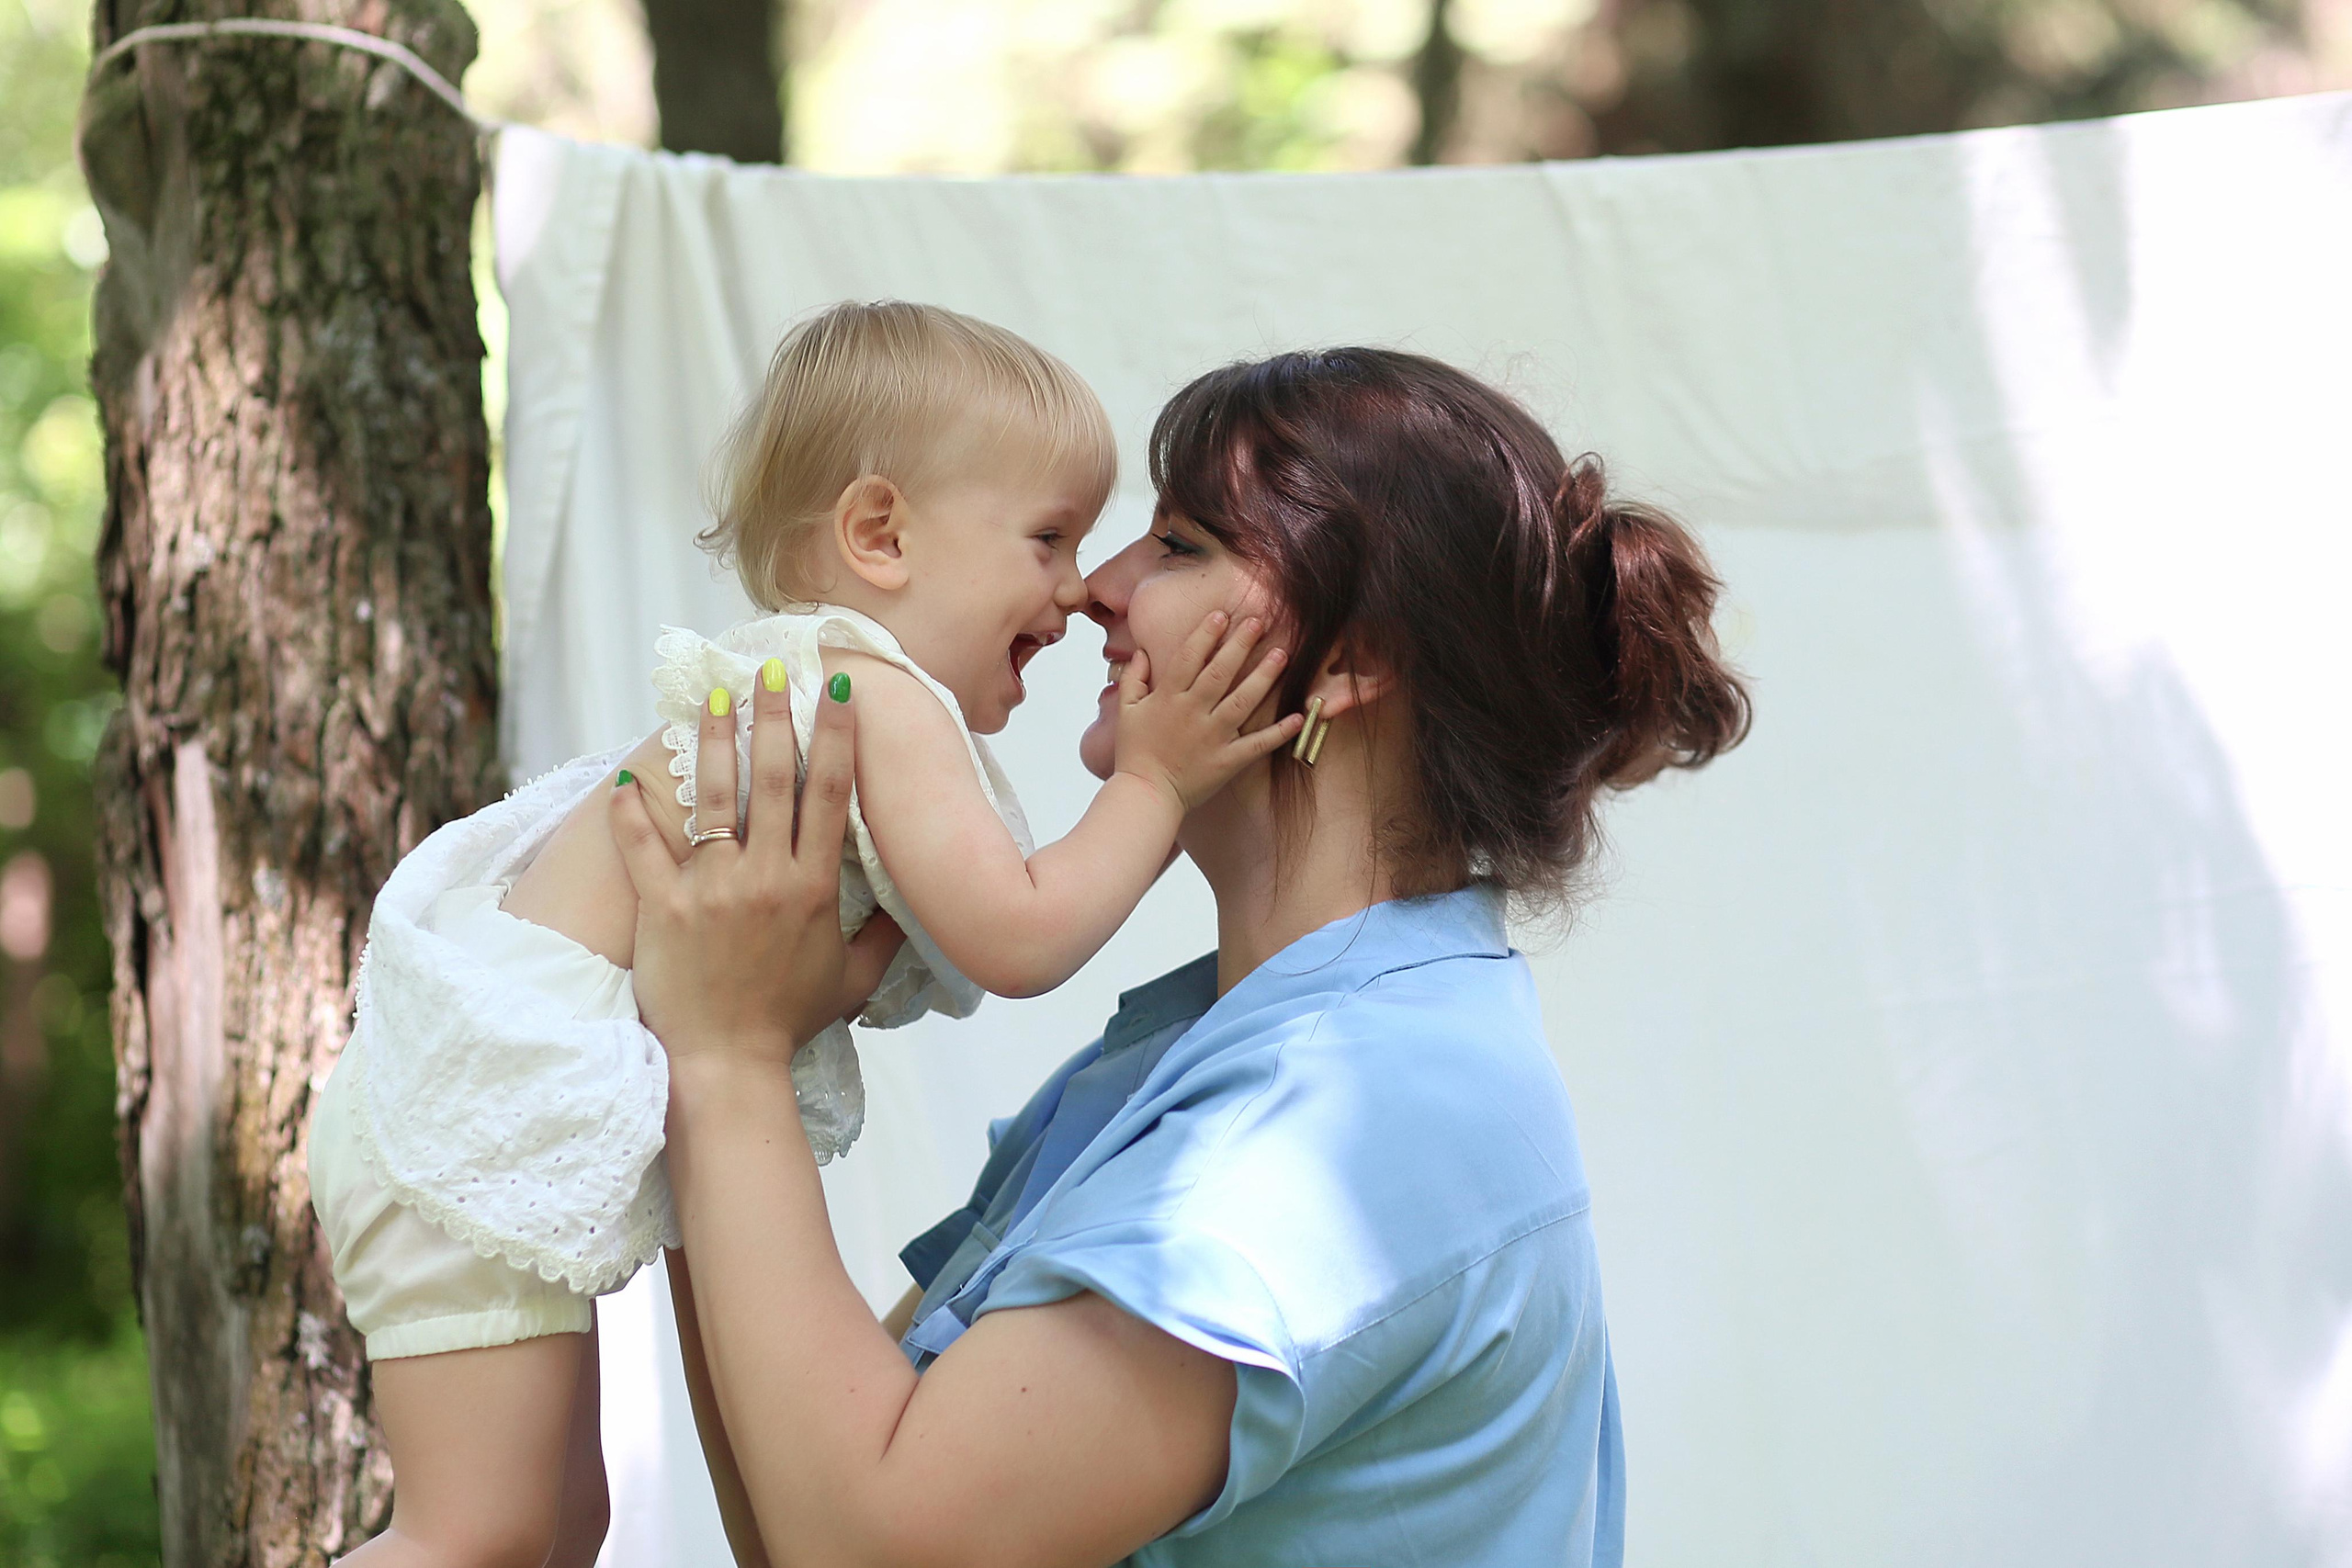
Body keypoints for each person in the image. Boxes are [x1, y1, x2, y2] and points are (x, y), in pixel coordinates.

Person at [615, 346, 1754, 1566]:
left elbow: (870, 1549)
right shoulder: (1214, 1063)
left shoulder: (1339, 1124)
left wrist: (729, 1059)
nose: (1096, 588)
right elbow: (808, 1515)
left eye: (1179, 545)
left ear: (1355, 657)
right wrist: (714, 1055)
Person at [306, 301, 1296, 1568]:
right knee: (477, 1535)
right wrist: (1159, 784)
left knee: (560, 1531)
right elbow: (1020, 937)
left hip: (470, 1113)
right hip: (470, 1125)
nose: (1076, 592)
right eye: (1049, 539)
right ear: (880, 533)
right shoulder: (866, 695)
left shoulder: (836, 690)